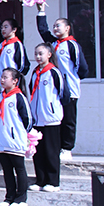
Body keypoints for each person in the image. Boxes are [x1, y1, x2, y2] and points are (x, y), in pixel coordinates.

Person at [36, 4, 88, 161]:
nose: (55, 28)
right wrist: (41, 11)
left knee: (68, 119)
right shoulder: (52, 45)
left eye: (58, 25)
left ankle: (67, 147)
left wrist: (70, 79)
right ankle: (56, 147)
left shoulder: (72, 45)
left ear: (67, 28)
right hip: (53, 90)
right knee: (55, 119)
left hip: (69, 88)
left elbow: (82, 68)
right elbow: (43, 31)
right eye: (54, 26)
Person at [0, 68, 33, 206]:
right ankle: (9, 197)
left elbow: (28, 120)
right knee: (7, 170)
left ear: (15, 81)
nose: (2, 80)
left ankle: (21, 198)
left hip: (14, 141)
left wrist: (18, 134)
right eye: (1, 77)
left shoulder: (19, 97)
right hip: (2, 141)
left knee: (19, 169)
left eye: (5, 77)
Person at [29, 43, 64, 193]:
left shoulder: (54, 72)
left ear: (49, 55)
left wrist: (53, 109)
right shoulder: (35, 72)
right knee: (38, 152)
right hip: (37, 119)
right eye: (36, 54)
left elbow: (63, 93)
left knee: (51, 151)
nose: (38, 57)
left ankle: (53, 181)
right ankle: (41, 180)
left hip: (51, 119)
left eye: (41, 53)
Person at [0, 10, 30, 86]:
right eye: (2, 27)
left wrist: (14, 79)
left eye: (6, 27)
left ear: (14, 29)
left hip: (11, 84)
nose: (3, 30)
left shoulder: (17, 45)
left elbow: (23, 66)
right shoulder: (1, 44)